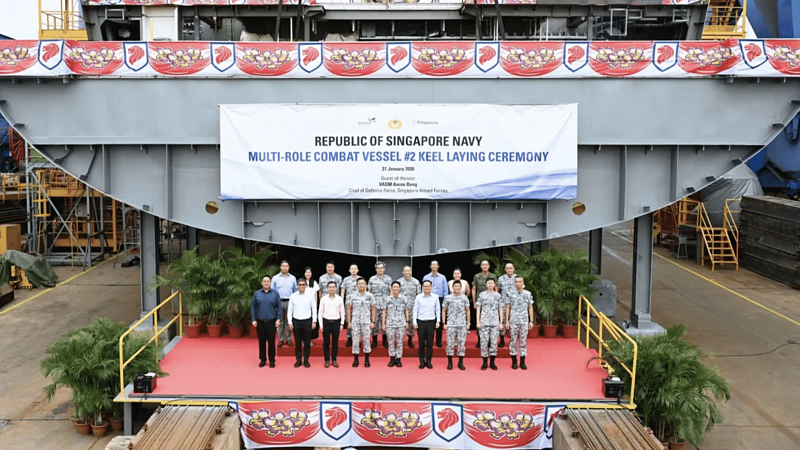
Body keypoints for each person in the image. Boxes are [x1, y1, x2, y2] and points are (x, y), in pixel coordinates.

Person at [251, 275, 282, 368]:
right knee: (262, 341)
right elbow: (253, 307)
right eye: (264, 281)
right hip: (260, 321)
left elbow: (279, 307)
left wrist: (278, 319)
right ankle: (263, 359)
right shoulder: (257, 294)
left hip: (271, 321)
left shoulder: (275, 294)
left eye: (268, 281)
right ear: (262, 283)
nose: (266, 283)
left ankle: (272, 360)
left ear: (270, 283)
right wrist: (253, 319)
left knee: (271, 341)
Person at [505, 275, 534, 370]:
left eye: (520, 282)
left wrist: (531, 320)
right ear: (514, 283)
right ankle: (514, 361)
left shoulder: (527, 294)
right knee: (513, 341)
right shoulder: (510, 293)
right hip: (513, 320)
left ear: (523, 283)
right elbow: (508, 307)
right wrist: (507, 321)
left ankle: (522, 361)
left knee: (523, 341)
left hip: (524, 320)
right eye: (516, 282)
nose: (518, 283)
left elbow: (530, 307)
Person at [288, 279, 317, 368]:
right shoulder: (293, 296)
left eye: (303, 284)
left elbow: (314, 308)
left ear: (306, 286)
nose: (301, 286)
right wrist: (290, 322)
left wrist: (314, 321)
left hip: (307, 321)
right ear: (297, 286)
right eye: (300, 284)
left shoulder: (310, 296)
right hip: (296, 321)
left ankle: (306, 360)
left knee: (307, 342)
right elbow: (290, 309)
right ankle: (298, 360)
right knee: (297, 342)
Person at [347, 278, 375, 368]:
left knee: (366, 340)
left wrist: (373, 321)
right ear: (357, 285)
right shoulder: (352, 295)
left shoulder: (370, 296)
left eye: (363, 283)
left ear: (366, 285)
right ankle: (356, 359)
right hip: (355, 321)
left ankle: (367, 360)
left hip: (366, 321)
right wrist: (349, 321)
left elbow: (373, 309)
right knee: (355, 341)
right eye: (359, 283)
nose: (361, 285)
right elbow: (349, 309)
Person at [476, 278, 504, 370]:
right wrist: (478, 321)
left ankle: (492, 362)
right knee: (484, 343)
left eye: (492, 283)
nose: (490, 284)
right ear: (486, 284)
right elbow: (478, 308)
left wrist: (501, 322)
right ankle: (484, 363)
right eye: (488, 283)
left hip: (495, 322)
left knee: (493, 343)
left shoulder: (498, 295)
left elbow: (500, 308)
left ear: (494, 284)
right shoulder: (482, 295)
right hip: (484, 322)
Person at [442, 281, 470, 370]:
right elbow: (444, 310)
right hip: (451, 324)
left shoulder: (464, 298)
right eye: (455, 286)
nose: (457, 288)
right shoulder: (448, 298)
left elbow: (467, 310)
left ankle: (460, 362)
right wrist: (444, 323)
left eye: (458, 286)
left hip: (462, 324)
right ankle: (450, 362)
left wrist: (468, 323)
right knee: (450, 344)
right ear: (452, 287)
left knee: (461, 344)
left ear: (461, 288)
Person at [413, 280, 441, 369]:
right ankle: (422, 361)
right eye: (425, 286)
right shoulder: (418, 297)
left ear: (431, 287)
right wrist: (414, 322)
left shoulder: (435, 297)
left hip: (431, 322)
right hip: (421, 321)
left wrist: (438, 321)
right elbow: (415, 310)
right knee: (421, 343)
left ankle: (428, 361)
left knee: (430, 343)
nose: (427, 288)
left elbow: (438, 310)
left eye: (428, 286)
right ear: (422, 287)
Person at [319, 281, 345, 368]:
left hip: (336, 322)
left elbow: (342, 312)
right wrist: (321, 324)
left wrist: (342, 323)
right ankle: (326, 360)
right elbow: (320, 312)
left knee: (335, 342)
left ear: (336, 288)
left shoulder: (339, 299)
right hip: (326, 322)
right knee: (326, 342)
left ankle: (334, 359)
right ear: (327, 288)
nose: (331, 289)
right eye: (330, 287)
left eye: (333, 287)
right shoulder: (323, 299)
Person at [383, 281, 409, 367]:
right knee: (390, 341)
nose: (395, 288)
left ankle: (398, 359)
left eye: (397, 287)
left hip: (401, 323)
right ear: (391, 288)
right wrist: (383, 324)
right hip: (390, 323)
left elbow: (406, 310)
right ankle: (392, 358)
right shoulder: (387, 299)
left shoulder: (404, 298)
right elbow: (384, 311)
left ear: (400, 288)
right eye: (394, 287)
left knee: (400, 341)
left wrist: (407, 321)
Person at [472, 260, 497, 349]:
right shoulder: (477, 276)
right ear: (480, 266)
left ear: (489, 266)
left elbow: (496, 288)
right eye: (483, 265)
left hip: (491, 302)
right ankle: (480, 339)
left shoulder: (493, 276)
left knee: (491, 321)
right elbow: (474, 289)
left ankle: (490, 340)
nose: (485, 266)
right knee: (480, 320)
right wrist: (474, 302)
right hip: (481, 301)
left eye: (486, 265)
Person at [423, 260, 448, 347]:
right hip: (428, 298)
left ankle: (438, 341)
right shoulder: (426, 277)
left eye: (435, 265)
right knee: (428, 320)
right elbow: (423, 290)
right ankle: (427, 340)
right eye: (432, 265)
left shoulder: (442, 277)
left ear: (438, 266)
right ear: (430, 266)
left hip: (439, 299)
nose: (434, 266)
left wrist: (445, 302)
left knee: (438, 320)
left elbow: (445, 291)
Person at [368, 261, 393, 349]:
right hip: (374, 305)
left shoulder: (388, 279)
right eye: (378, 268)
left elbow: (391, 291)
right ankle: (374, 340)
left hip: (385, 305)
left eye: (381, 268)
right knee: (374, 323)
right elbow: (369, 292)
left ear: (384, 269)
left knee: (385, 323)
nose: (380, 269)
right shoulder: (372, 279)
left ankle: (384, 340)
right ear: (376, 269)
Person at [273, 260, 297, 347]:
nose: (284, 268)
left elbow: (295, 292)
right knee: (279, 321)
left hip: (289, 301)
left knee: (288, 321)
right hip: (278, 301)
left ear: (289, 267)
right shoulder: (275, 278)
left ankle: (288, 339)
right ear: (280, 267)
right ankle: (280, 339)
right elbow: (273, 291)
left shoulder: (293, 278)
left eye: (286, 266)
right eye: (283, 266)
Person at [399, 266, 421, 349]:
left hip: (412, 306)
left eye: (409, 271)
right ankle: (400, 340)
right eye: (405, 271)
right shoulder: (399, 282)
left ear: (411, 271)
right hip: (401, 307)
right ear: (402, 272)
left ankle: (410, 339)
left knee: (411, 324)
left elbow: (418, 295)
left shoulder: (416, 282)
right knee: (400, 324)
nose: (407, 272)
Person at [495, 262, 517, 348]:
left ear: (513, 269)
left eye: (511, 268)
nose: (509, 270)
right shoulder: (501, 278)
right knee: (503, 320)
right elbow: (498, 290)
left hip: (515, 303)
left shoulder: (518, 278)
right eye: (507, 268)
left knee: (513, 321)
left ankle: (512, 340)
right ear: (505, 269)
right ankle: (502, 339)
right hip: (503, 302)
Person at [340, 264, 361, 347]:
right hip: (348, 302)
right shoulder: (346, 279)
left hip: (359, 303)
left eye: (355, 268)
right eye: (352, 269)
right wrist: (341, 301)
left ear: (358, 270)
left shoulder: (360, 279)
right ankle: (349, 338)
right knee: (348, 320)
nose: (354, 270)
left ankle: (357, 339)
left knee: (358, 321)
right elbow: (343, 290)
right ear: (349, 270)